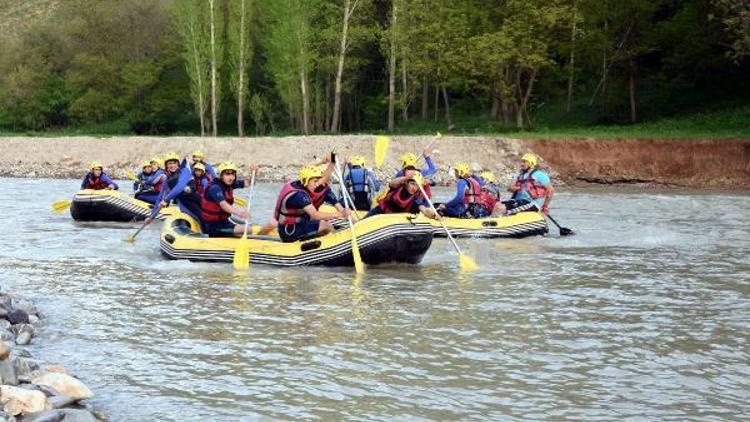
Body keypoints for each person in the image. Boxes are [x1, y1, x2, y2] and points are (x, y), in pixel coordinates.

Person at [274, 157, 351, 243]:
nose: (317, 184)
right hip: (289, 231)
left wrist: (345, 213)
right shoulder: (298, 195)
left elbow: (339, 207)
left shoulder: (318, 189)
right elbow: (315, 215)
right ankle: (334, 246)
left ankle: (314, 240)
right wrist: (340, 214)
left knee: (325, 222)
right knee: (327, 226)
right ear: (306, 180)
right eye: (315, 181)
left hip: (299, 224)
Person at [200, 161, 257, 237]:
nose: (231, 177)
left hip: (224, 222)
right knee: (249, 230)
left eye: (233, 174)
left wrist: (254, 173)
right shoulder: (215, 188)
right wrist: (240, 213)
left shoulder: (230, 184)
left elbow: (249, 183)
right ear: (221, 175)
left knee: (247, 230)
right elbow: (223, 204)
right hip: (213, 226)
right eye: (227, 174)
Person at [366, 172, 437, 219]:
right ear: (406, 183)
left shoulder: (415, 199)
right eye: (412, 184)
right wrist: (406, 177)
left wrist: (434, 215)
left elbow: (424, 210)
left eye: (417, 186)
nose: (414, 188)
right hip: (381, 211)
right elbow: (391, 183)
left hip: (394, 219)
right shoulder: (398, 186)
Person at [156, 152, 203, 223]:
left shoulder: (185, 171)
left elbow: (180, 187)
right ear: (166, 165)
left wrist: (166, 200)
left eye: (174, 163)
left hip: (197, 200)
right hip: (185, 204)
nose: (172, 165)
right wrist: (150, 217)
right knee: (201, 218)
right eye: (170, 163)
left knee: (205, 217)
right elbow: (159, 198)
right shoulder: (167, 180)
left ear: (178, 164)